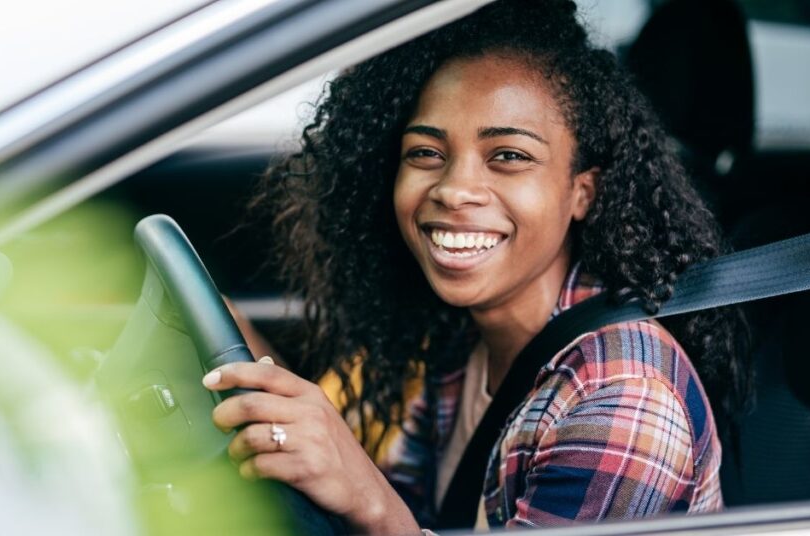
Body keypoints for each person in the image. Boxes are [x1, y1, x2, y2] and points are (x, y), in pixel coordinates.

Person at [203, 0, 751, 533]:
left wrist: (367, 497)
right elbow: (413, 506)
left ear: (582, 192)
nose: (455, 189)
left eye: (508, 156)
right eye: (426, 153)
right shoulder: (463, 342)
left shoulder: (624, 401)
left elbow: (381, 507)